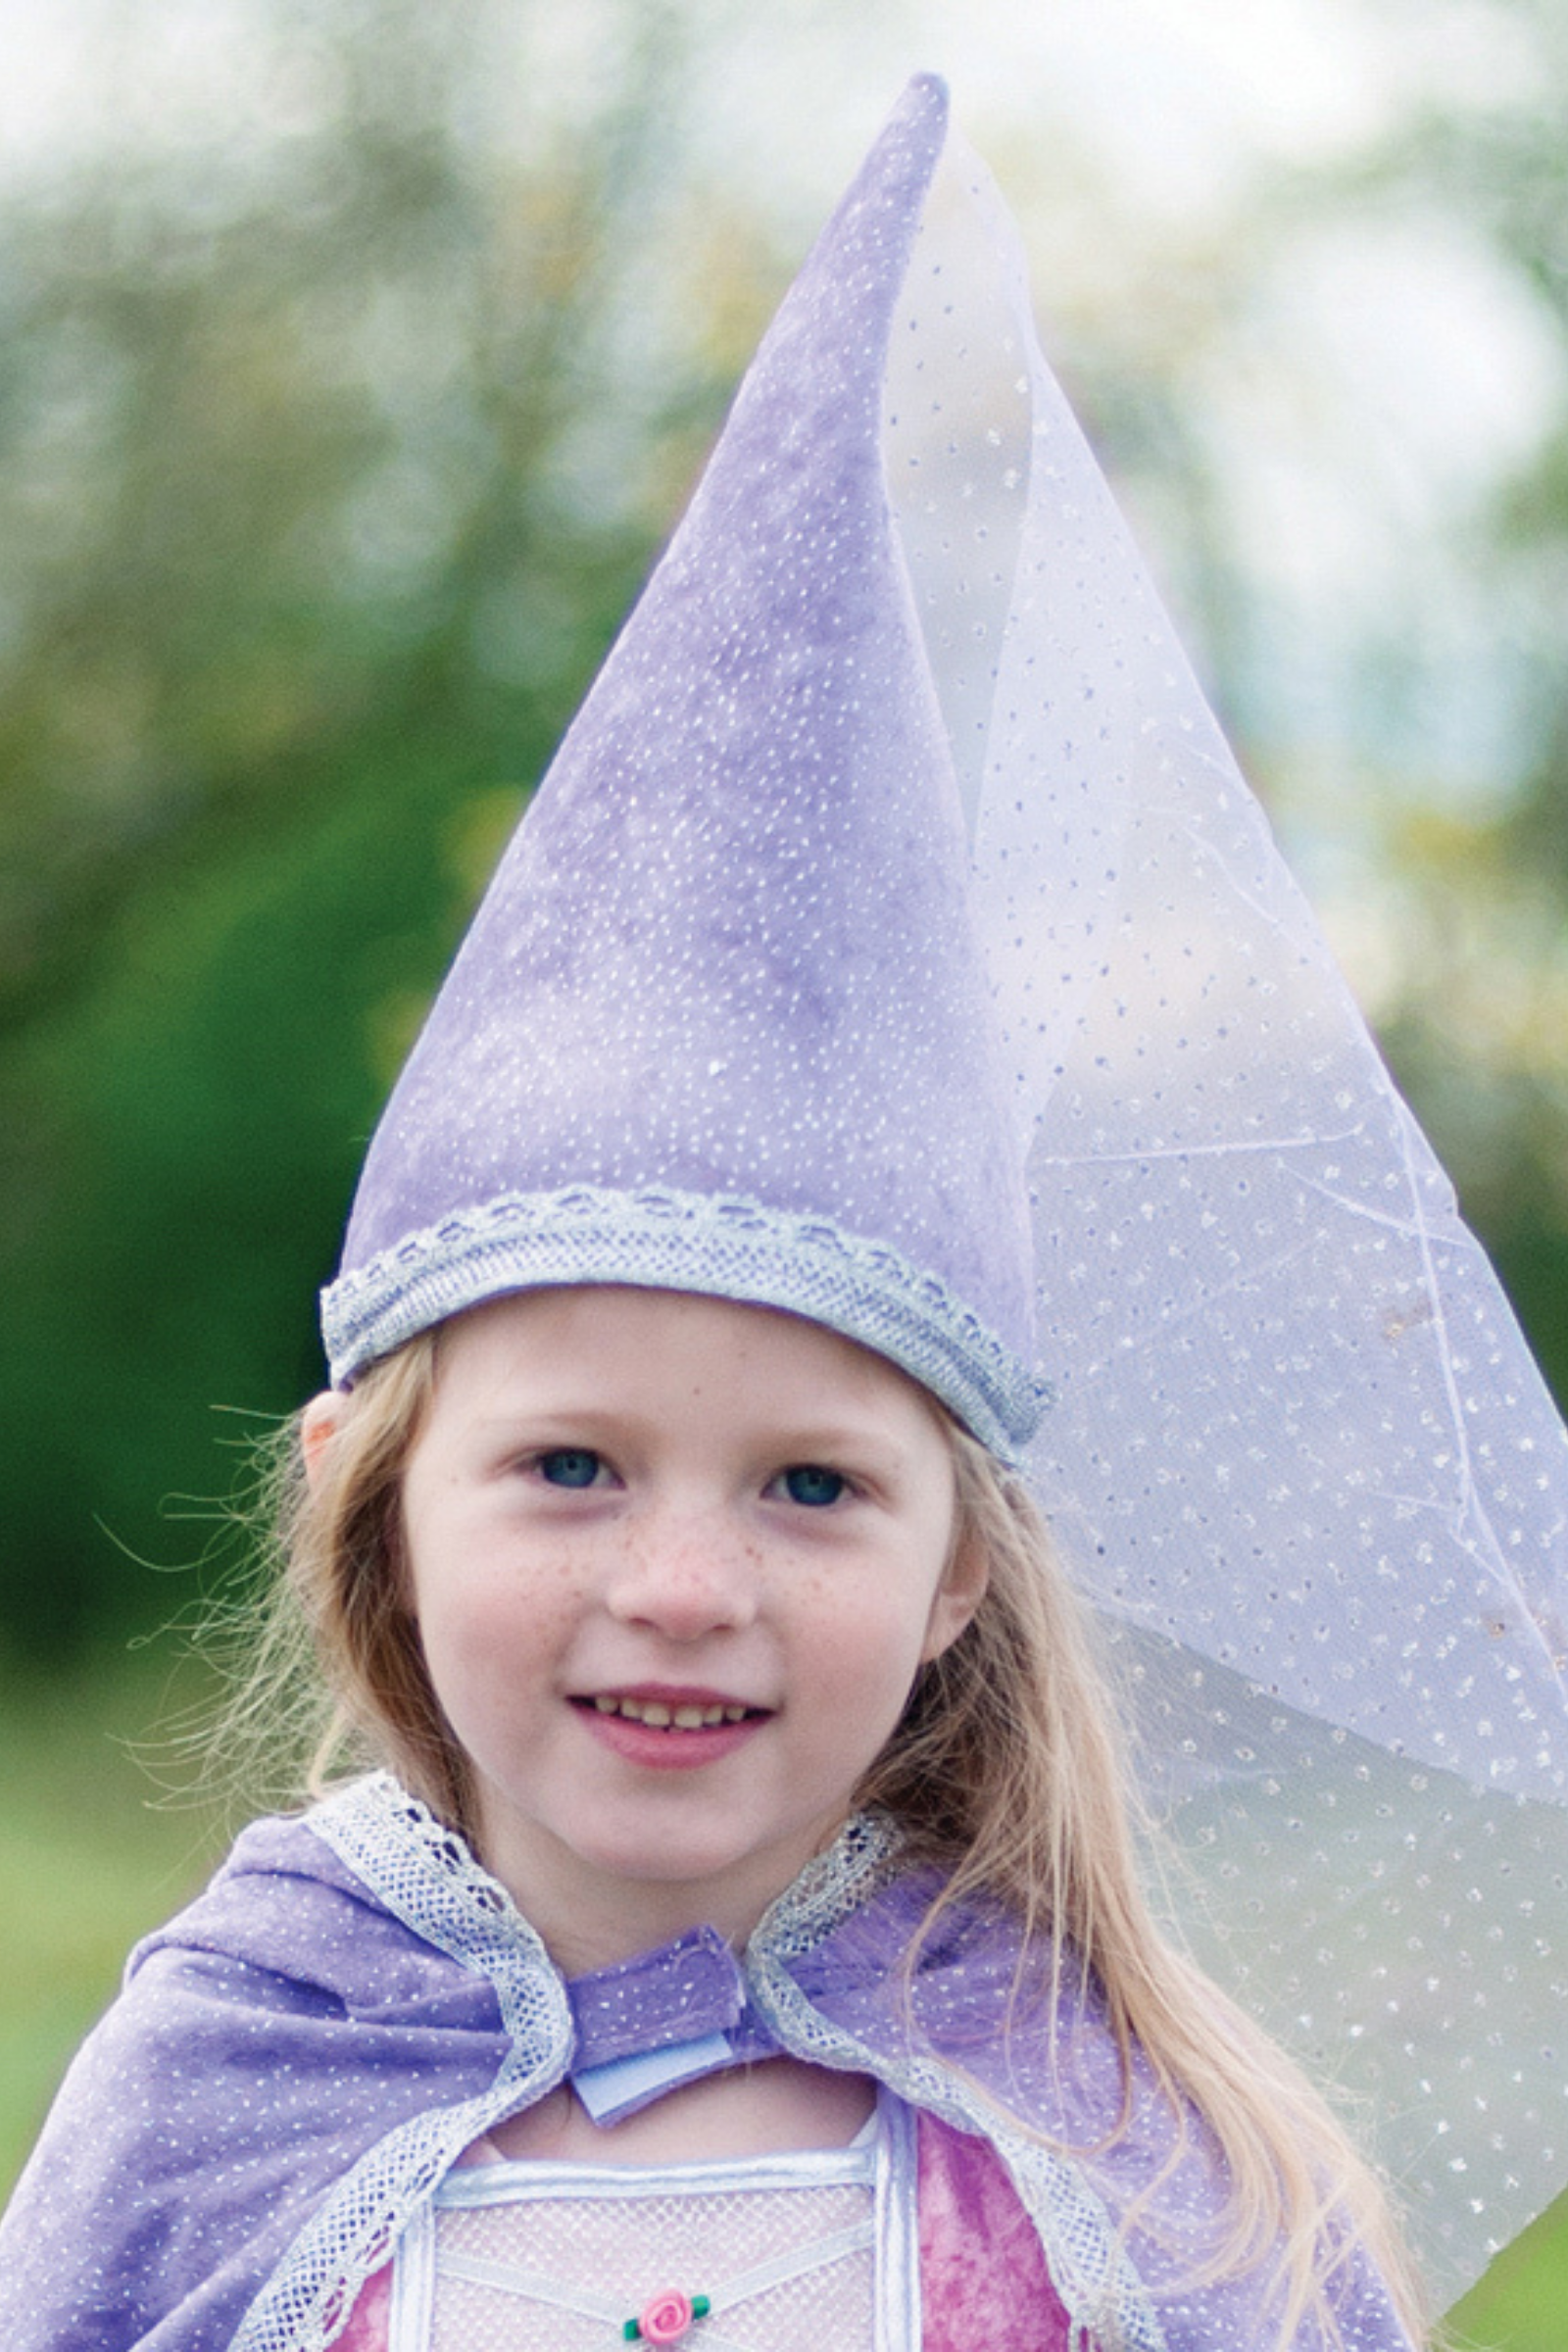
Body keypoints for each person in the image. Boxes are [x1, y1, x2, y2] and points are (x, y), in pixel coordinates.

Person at [5, 71, 1565, 2352]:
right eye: (566, 1461)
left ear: (955, 1563)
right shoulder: (231, 2082)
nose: (682, 1584)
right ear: (369, 1494)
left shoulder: (1128, 2163)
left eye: (814, 1483)